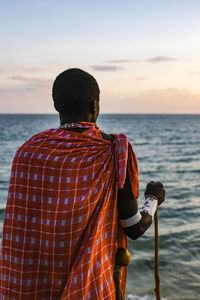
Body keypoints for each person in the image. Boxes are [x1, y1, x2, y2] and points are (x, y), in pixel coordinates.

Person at [0, 68, 165, 299]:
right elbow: (134, 227)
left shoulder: (27, 153)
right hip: (89, 286)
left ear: (56, 105)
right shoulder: (113, 150)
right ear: (94, 105)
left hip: (33, 287)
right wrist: (153, 199)